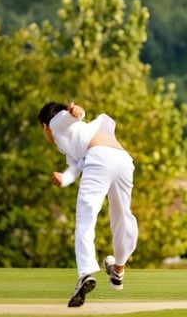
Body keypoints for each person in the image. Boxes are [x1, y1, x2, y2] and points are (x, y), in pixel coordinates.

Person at [37, 102, 138, 307]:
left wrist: (75, 111)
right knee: (121, 217)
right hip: (123, 160)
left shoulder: (56, 123)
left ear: (45, 126)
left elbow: (73, 115)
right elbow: (74, 168)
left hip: (99, 157)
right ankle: (118, 270)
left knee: (86, 217)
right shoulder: (72, 141)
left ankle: (85, 273)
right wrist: (63, 179)